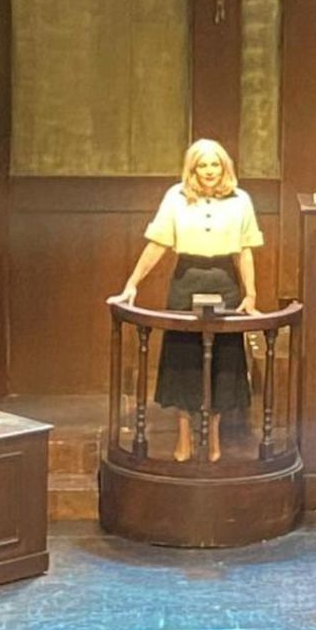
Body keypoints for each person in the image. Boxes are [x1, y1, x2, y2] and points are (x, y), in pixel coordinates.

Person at [110, 140, 263, 463]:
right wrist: (132, 283)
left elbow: (245, 250)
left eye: (215, 165)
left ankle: (214, 435)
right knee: (182, 356)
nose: (209, 171)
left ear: (224, 167)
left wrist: (250, 293)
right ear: (192, 169)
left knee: (224, 358)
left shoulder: (241, 200)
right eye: (202, 165)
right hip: (186, 280)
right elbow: (157, 244)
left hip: (224, 281)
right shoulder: (175, 197)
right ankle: (183, 433)